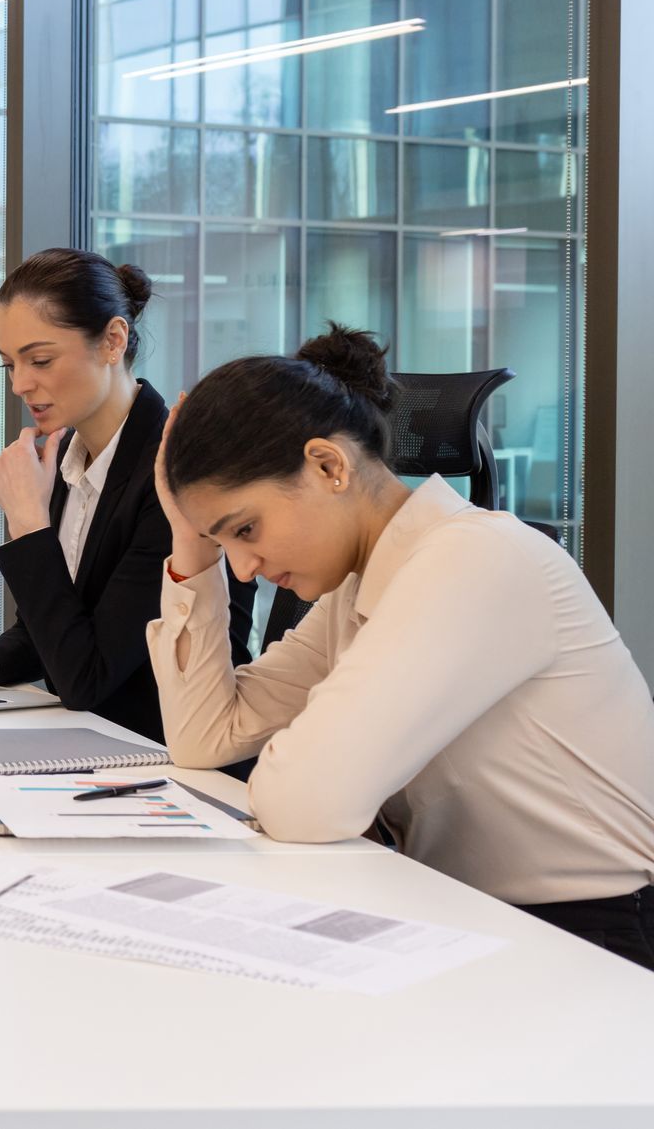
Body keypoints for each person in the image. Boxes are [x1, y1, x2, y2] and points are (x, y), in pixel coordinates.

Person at [150, 325, 654, 968]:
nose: (243, 568)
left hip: (591, 936)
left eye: (245, 529)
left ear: (329, 464)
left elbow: (305, 800)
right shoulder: (357, 590)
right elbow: (203, 736)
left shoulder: (477, 559)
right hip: (463, 912)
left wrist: (304, 755)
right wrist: (190, 543)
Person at [0, 248, 255, 744]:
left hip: (171, 757)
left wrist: (29, 523)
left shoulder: (174, 473)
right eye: (10, 364)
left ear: (113, 341)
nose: (20, 384)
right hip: (92, 747)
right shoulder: (69, 454)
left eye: (41, 359)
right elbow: (53, 632)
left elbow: (86, 677)